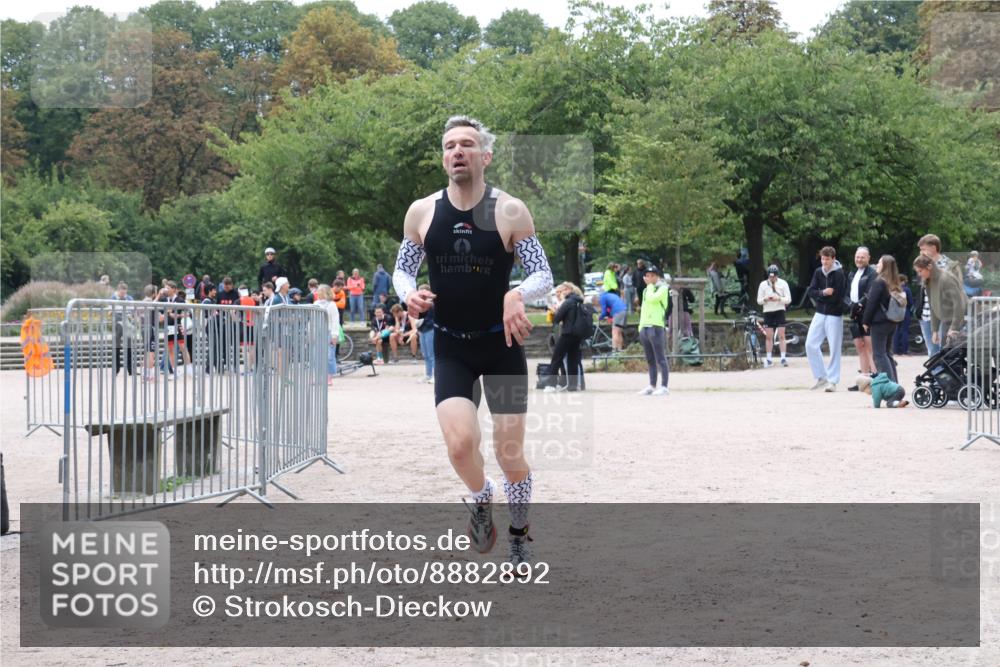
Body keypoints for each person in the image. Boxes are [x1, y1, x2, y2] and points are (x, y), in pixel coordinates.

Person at [391, 115, 553, 566]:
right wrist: (410, 295)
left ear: (485, 155)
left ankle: (519, 532)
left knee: (509, 452)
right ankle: (481, 498)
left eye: (466, 144)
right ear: (444, 157)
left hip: (501, 346)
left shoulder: (510, 211)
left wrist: (515, 292)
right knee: (461, 445)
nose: (457, 151)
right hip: (450, 345)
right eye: (449, 145)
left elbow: (543, 273)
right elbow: (404, 269)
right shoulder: (422, 211)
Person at [805, 246, 847, 392]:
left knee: (834, 347)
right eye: (823, 259)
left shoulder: (839, 274)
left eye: (827, 259)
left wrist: (821, 296)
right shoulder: (818, 272)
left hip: (834, 314)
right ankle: (821, 377)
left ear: (833, 259)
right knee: (810, 344)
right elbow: (811, 291)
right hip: (820, 312)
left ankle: (833, 380)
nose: (824, 262)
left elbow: (837, 296)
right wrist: (823, 293)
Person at [861, 255, 904, 383]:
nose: (877, 265)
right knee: (887, 354)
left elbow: (872, 303)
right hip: (892, 322)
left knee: (879, 354)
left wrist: (865, 321)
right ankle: (895, 384)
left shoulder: (879, 281)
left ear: (884, 265)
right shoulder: (894, 283)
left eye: (879, 263)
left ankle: (890, 387)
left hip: (879, 322)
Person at [913, 255, 967, 349]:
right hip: (945, 322)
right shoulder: (928, 282)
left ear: (929, 267)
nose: (919, 274)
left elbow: (959, 304)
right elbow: (932, 306)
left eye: (920, 271)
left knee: (951, 358)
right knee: (944, 357)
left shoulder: (946, 279)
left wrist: (953, 328)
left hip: (957, 322)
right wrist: (935, 330)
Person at [545, 282, 587, 392]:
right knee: (573, 360)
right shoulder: (578, 301)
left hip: (567, 333)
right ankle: (573, 386)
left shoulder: (568, 302)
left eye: (562, 290)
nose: (560, 293)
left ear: (568, 290)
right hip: (577, 334)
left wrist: (555, 311)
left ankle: (551, 385)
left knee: (556, 357)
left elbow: (557, 319)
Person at [637, 265, 670, 396]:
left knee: (660, 358)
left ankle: (664, 386)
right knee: (650, 358)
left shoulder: (662, 289)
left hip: (656, 326)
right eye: (647, 275)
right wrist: (640, 326)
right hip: (645, 326)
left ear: (657, 277)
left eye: (652, 275)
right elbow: (644, 308)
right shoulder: (646, 291)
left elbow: (653, 299)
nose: (649, 278)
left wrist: (650, 286)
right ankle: (652, 385)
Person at [845, 247, 877, 376]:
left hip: (866, 314)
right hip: (854, 314)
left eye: (862, 257)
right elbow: (846, 293)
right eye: (857, 256)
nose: (859, 259)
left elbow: (869, 293)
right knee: (859, 346)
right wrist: (850, 305)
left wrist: (859, 304)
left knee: (870, 347)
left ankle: (875, 377)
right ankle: (864, 378)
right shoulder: (852, 273)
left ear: (868, 258)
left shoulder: (872, 273)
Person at [756, 265, 792, 367]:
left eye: (774, 276)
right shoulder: (763, 284)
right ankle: (769, 358)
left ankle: (783, 358)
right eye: (770, 276)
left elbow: (788, 299)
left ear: (777, 275)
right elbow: (759, 301)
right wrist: (766, 299)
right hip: (768, 311)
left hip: (779, 310)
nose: (772, 278)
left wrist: (779, 299)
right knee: (769, 336)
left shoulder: (783, 283)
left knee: (781, 335)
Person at [314, 284, 341, 384]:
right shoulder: (316, 303)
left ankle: (329, 377)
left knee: (329, 355)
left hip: (328, 331)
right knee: (316, 355)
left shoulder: (332, 305)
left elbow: (335, 321)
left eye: (320, 290)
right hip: (317, 331)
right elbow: (313, 319)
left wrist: (334, 335)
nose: (318, 292)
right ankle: (317, 376)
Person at [110, 282, 135, 376]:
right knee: (116, 346)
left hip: (127, 323)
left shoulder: (129, 298)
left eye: (125, 293)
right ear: (118, 291)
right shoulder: (113, 298)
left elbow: (132, 311)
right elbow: (110, 310)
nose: (123, 295)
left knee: (129, 346)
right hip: (117, 323)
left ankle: (130, 369)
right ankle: (116, 369)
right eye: (122, 293)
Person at [593, 289, 627, 353]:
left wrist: (599, 317)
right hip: (624, 310)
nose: (598, 304)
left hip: (618, 312)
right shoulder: (609, 295)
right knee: (619, 332)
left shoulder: (602, 298)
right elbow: (608, 311)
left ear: (596, 300)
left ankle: (614, 351)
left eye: (596, 304)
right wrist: (608, 316)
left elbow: (604, 312)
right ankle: (619, 350)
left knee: (615, 332)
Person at [415, 282, 436, 383]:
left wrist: (423, 321)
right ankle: (428, 374)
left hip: (430, 330)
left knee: (432, 355)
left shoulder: (432, 304)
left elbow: (434, 318)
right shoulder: (420, 304)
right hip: (422, 330)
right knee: (426, 355)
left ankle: (435, 376)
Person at [892, 275, 914, 356]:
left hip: (895, 313)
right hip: (905, 312)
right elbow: (911, 302)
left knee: (896, 331)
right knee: (904, 331)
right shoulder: (907, 290)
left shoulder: (894, 290)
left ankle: (895, 351)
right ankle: (904, 351)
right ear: (903, 281)